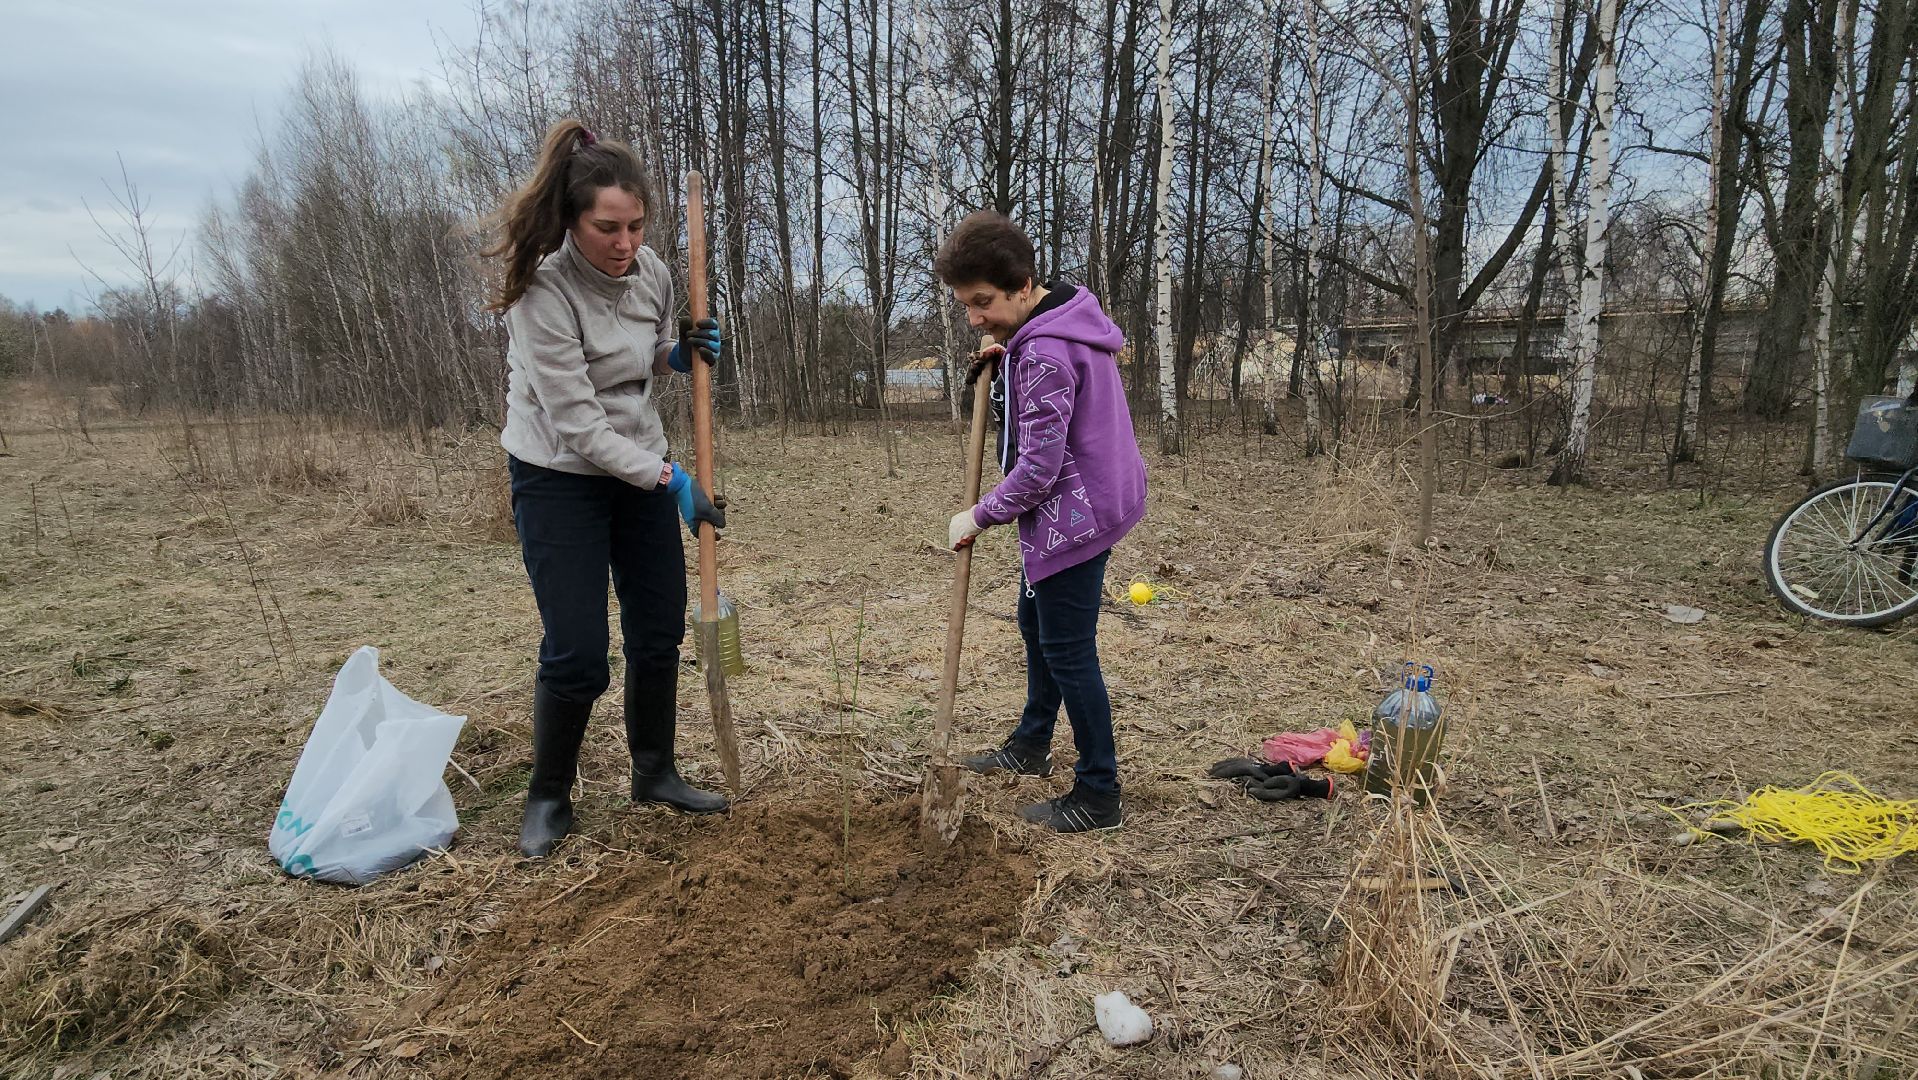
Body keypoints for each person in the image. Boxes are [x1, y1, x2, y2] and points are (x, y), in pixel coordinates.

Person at [487, 119, 729, 858]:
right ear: (571, 220)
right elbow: (581, 427)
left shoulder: (653, 269)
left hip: (639, 466)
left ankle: (654, 771)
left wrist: (676, 354)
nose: (624, 244)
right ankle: (548, 795)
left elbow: (642, 355)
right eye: (606, 228)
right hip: (559, 476)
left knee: (658, 631)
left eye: (636, 226)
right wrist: (672, 479)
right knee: (579, 651)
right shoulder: (542, 293)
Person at [935, 211, 1147, 832]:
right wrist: (1006, 361)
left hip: (1075, 517)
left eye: (984, 303)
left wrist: (978, 515)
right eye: (966, 306)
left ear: (1023, 285)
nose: (973, 318)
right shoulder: (1053, 325)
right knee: (1037, 621)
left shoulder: (1045, 352)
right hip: (1097, 497)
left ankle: (1098, 792)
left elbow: (1039, 470)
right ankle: (1031, 742)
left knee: (1068, 648)